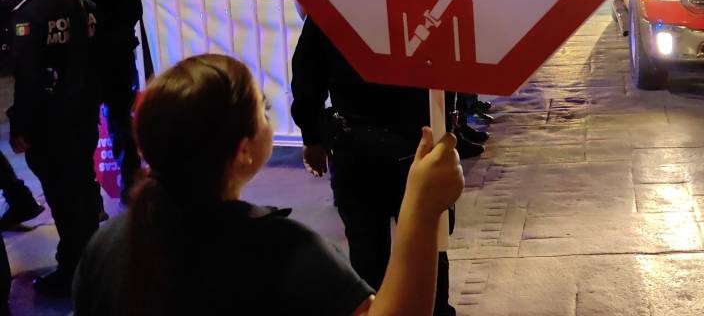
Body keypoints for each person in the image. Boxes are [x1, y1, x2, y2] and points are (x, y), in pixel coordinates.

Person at [72, 54, 464, 316]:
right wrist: (421, 208)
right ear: (244, 150)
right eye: (262, 108)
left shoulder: (107, 246)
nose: (269, 117)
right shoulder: (281, 251)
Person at [290, 16, 462, 315]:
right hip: (418, 143)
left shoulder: (334, 0)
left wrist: (313, 136)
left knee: (368, 252)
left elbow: (307, 73)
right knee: (430, 246)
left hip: (359, 146)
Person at [7, 0, 102, 295]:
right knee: (83, 187)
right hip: (84, 114)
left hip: (51, 123)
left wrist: (20, 125)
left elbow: (29, 79)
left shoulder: (29, 15)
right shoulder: (84, 5)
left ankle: (73, 268)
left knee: (63, 198)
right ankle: (91, 259)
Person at [57, 0, 143, 199]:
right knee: (122, 119)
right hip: (121, 50)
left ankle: (89, 197)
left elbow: (72, 6)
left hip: (93, 55)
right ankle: (132, 183)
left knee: (83, 126)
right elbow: (134, 3)